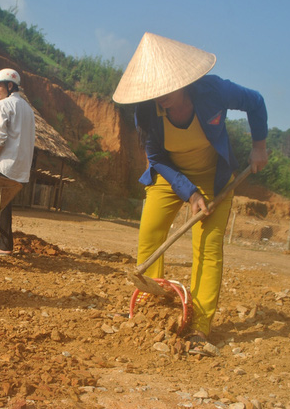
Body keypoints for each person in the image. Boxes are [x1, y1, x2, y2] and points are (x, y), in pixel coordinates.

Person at [112, 32, 268, 353]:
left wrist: (259, 146)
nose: (161, 96)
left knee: (207, 246)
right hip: (171, 176)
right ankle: (153, 305)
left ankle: (198, 322)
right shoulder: (146, 111)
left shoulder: (214, 90)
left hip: (215, 176)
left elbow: (255, 101)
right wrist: (189, 192)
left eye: (166, 87)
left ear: (182, 78)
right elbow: (155, 157)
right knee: (151, 232)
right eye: (154, 90)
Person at [0, 68, 36, 255]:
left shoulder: (3, 105)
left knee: (0, 204)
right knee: (5, 204)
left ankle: (4, 245)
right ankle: (4, 243)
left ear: (10, 86)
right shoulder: (28, 109)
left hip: (5, 163)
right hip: (22, 167)